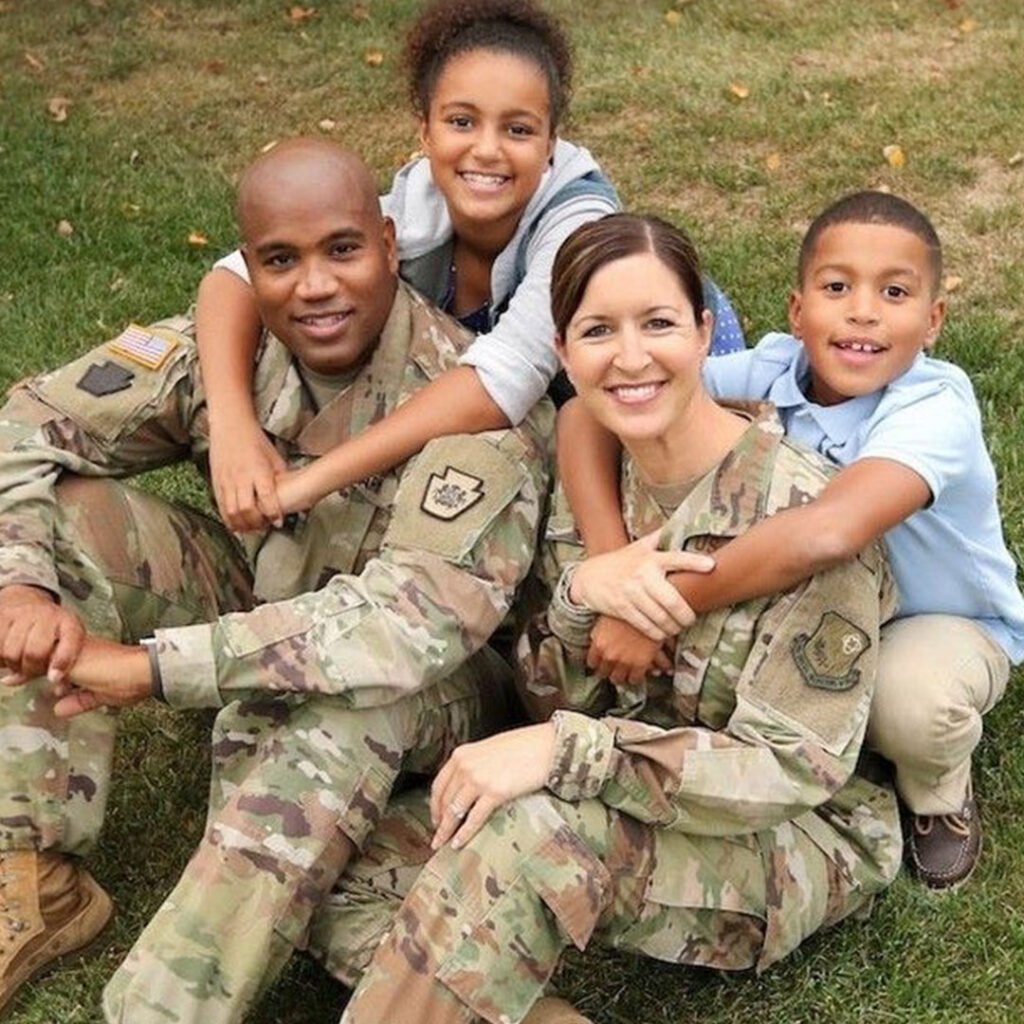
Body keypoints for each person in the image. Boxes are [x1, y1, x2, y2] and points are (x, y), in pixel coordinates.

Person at [295, 214, 900, 1024]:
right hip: (620, 796)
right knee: (341, 863)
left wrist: (563, 751)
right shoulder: (594, 482)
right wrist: (583, 599)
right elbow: (556, 689)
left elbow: (787, 772)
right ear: (565, 348)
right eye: (597, 330)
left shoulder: (805, 517)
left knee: (529, 839)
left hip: (783, 837)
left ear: (704, 330)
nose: (631, 356)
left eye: (658, 323)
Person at [0, 138, 551, 1022]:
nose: (316, 286)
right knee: (52, 522)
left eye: (342, 250)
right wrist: (21, 588)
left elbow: (406, 631)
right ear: (247, 268)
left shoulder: (465, 407)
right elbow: (24, 428)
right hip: (273, 605)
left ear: (387, 242)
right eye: (280, 261)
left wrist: (152, 666)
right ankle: (34, 866)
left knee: (339, 701)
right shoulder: (225, 357)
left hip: (453, 687)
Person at [556, 191, 1024, 889]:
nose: (863, 310)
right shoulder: (778, 367)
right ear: (798, 311)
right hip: (825, 600)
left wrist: (658, 608)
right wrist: (613, 567)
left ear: (932, 322)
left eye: (894, 293)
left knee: (909, 704)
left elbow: (827, 532)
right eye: (838, 288)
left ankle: (937, 794)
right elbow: (592, 411)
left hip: (933, 620)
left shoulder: (934, 407)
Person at [196, 0, 746, 534]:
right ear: (425, 132)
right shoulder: (418, 199)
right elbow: (231, 279)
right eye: (462, 121)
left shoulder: (579, 223)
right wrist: (232, 427)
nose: (486, 150)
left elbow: (503, 380)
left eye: (518, 129)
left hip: (639, 385)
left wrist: (308, 482)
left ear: (552, 143)